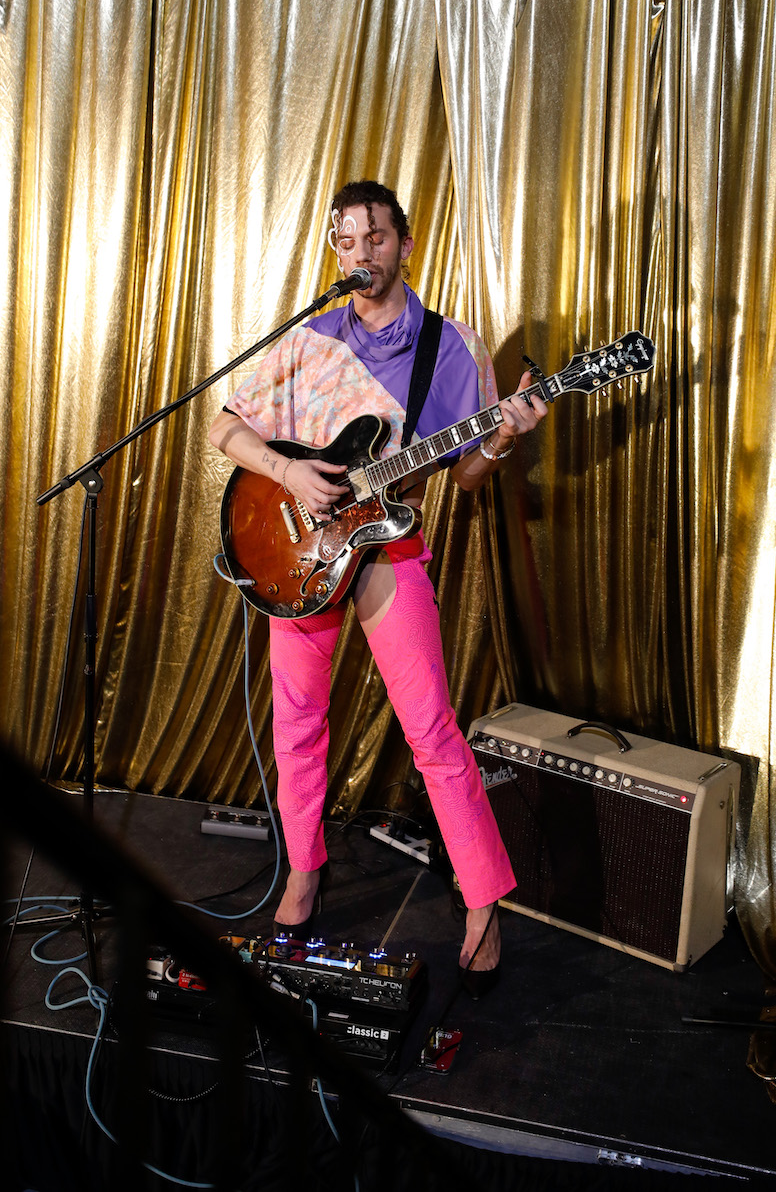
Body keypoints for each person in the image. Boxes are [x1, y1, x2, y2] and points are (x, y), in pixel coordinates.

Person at [208, 181, 547, 983]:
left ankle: (480, 900)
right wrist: (287, 469)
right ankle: (302, 868)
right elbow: (224, 425)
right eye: (347, 242)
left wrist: (500, 441)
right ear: (336, 251)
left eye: (377, 238)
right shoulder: (309, 339)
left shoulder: (450, 347)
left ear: (404, 242)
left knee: (432, 730)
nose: (363, 254)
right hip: (304, 558)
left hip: (389, 551)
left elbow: (464, 476)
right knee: (296, 722)